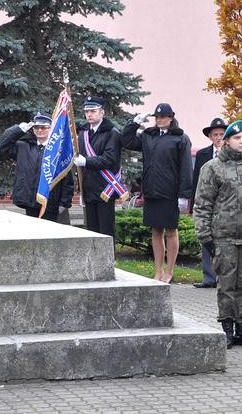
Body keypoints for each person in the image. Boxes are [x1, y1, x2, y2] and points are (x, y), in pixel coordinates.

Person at [192, 120, 242, 349]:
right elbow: (202, 204)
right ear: (226, 140)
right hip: (224, 236)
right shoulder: (213, 167)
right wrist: (205, 236)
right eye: (237, 138)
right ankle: (227, 329)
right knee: (227, 285)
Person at [121, 103, 192, 282]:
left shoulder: (180, 138)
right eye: (157, 117)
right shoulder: (148, 136)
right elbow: (127, 141)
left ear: (171, 117)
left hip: (170, 192)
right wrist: (134, 123)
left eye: (163, 117)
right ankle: (158, 270)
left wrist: (184, 195)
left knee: (171, 230)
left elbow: (186, 169)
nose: (159, 120)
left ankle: (169, 271)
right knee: (156, 231)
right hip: (152, 190)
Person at [0, 113, 73, 223]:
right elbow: (3, 146)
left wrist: (64, 204)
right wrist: (18, 129)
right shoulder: (24, 146)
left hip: (50, 203)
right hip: (29, 201)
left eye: (43, 127)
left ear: (51, 129)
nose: (40, 130)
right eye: (36, 127)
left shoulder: (58, 151)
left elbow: (67, 180)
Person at [74, 96, 123, 237]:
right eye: (87, 111)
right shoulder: (83, 133)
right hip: (89, 187)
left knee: (106, 231)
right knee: (92, 231)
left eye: (93, 111)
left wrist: (86, 162)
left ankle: (109, 259)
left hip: (105, 188)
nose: (89, 114)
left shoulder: (112, 133)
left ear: (102, 112)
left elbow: (109, 159)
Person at [191, 117, 228, 288]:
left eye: (222, 134)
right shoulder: (202, 154)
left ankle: (224, 277)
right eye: (215, 134)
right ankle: (209, 277)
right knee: (206, 237)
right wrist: (194, 203)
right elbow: (196, 180)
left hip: (226, 203)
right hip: (207, 201)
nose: (219, 137)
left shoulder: (231, 155)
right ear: (210, 137)